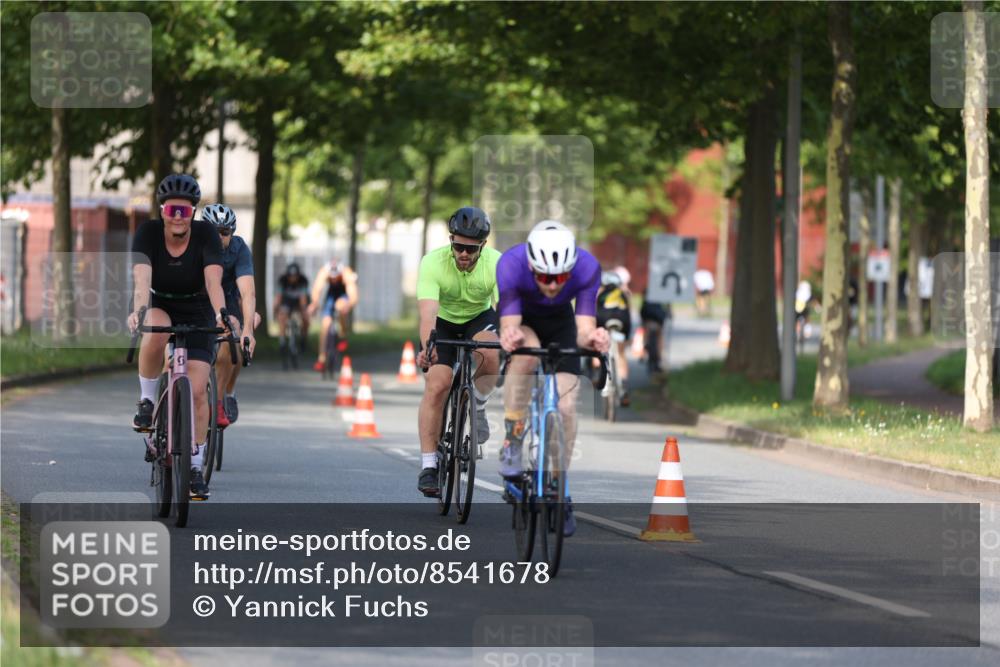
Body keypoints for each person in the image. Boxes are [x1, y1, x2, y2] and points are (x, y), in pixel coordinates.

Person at [496, 220, 610, 536]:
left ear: (571, 269)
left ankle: (559, 486)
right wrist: (509, 337)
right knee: (526, 352)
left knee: (567, 406)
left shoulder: (587, 268)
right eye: (545, 277)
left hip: (562, 323)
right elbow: (510, 324)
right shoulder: (512, 264)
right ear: (532, 267)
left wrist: (596, 338)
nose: (552, 285)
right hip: (523, 320)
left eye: (560, 277)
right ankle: (513, 436)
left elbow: (584, 330)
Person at [128, 174, 237, 500]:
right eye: (173, 209)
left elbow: (214, 282)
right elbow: (141, 282)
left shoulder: (206, 235)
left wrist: (222, 314)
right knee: (155, 334)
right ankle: (148, 400)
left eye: (185, 211)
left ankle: (194, 465)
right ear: (162, 210)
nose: (178, 217)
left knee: (199, 391)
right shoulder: (147, 234)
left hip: (199, 309)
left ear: (193, 213)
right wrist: (139, 311)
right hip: (160, 302)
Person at [414, 207, 502, 497]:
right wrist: (428, 348)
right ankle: (429, 465)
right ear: (451, 241)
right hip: (444, 322)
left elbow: (506, 310)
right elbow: (427, 314)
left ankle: (476, 403)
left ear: (483, 246)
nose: (463, 254)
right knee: (437, 385)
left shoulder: (497, 263)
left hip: (479, 318)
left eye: (471, 249)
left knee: (491, 352)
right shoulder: (433, 262)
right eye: (458, 246)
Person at [202, 203, 257, 427]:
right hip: (197, 300)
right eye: (213, 231)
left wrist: (248, 331)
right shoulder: (191, 244)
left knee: (234, 337)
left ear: (232, 233)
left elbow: (247, 291)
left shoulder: (239, 249)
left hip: (228, 300)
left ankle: (225, 395)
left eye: (225, 232)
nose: (219, 237)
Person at [309, 258, 359, 371]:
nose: (334, 279)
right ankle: (321, 358)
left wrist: (349, 305)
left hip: (344, 293)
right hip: (331, 294)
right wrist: (314, 303)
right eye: (332, 278)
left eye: (336, 277)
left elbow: (353, 295)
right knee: (325, 324)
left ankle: (342, 334)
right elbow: (317, 289)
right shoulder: (324, 271)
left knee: (340, 306)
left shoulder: (346, 272)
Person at [596, 266, 633, 406]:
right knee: (622, 354)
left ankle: (599, 374)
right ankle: (623, 385)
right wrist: (628, 336)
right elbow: (629, 315)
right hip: (622, 322)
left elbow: (594, 314)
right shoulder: (624, 293)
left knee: (599, 349)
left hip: (604, 321)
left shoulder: (600, 293)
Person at [275, 262, 310, 354]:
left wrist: (303, 311)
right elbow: (278, 298)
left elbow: (303, 299)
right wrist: (276, 309)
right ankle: (282, 341)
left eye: (295, 276)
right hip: (286, 302)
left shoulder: (303, 281)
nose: (293, 278)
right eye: (291, 276)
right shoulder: (282, 281)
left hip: (299, 303)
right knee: (282, 316)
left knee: (306, 318)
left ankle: (303, 338)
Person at [640, 291, 671, 373]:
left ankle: (645, 346)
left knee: (646, 328)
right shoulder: (661, 289)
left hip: (648, 312)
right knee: (659, 334)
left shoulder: (650, 287)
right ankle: (659, 356)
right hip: (657, 313)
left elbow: (643, 297)